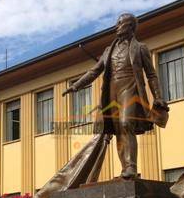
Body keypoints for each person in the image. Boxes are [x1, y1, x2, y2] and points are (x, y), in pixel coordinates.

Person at [63, 13, 168, 179]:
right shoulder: (108, 50)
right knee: (118, 130)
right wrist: (76, 86)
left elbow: (151, 74)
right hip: (112, 91)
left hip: (131, 87)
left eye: (120, 23)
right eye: (117, 23)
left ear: (131, 27)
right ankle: (125, 169)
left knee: (126, 124)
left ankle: (131, 167)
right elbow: (94, 71)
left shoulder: (140, 48)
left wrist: (158, 96)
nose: (116, 26)